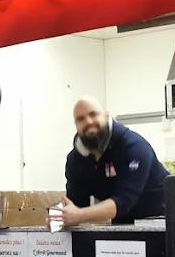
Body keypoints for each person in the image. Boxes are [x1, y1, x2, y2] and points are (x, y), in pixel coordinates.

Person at [62, 96, 168, 226]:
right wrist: (60, 220)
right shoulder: (76, 160)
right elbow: (74, 206)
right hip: (121, 225)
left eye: (93, 114)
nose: (88, 121)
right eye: (80, 119)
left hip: (162, 224)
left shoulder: (134, 147)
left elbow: (124, 201)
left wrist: (78, 216)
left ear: (106, 116)